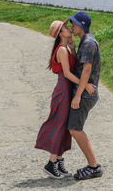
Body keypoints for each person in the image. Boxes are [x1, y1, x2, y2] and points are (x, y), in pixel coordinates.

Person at [36, 20, 95, 178]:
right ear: (60, 34)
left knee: (65, 126)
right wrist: (86, 84)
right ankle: (51, 163)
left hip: (68, 89)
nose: (69, 28)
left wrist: (73, 48)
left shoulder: (67, 47)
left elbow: (74, 65)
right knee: (60, 124)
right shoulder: (61, 49)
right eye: (65, 28)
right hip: (63, 90)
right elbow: (68, 74)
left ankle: (59, 162)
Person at [67, 11, 103, 180]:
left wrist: (77, 95)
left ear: (80, 25)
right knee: (75, 128)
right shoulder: (85, 42)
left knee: (75, 129)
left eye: (73, 24)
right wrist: (74, 50)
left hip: (84, 95)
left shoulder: (88, 43)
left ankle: (93, 167)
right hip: (84, 93)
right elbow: (81, 67)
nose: (71, 27)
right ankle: (93, 166)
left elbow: (87, 70)